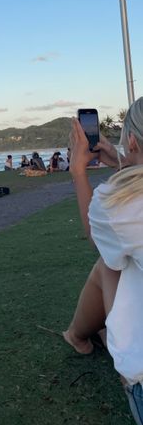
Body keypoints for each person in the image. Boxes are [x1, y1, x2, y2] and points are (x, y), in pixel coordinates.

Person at [63, 97, 143, 424]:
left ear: (133, 141)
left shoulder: (124, 205)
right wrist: (124, 163)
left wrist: (78, 172)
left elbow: (98, 239)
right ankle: (77, 334)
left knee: (110, 264)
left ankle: (77, 335)